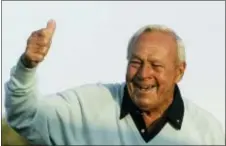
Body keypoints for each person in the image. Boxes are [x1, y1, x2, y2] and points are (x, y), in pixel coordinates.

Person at [4, 19, 225, 145]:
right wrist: (27, 67)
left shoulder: (208, 134)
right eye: (136, 62)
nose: (143, 73)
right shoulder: (86, 109)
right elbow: (25, 115)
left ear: (179, 72)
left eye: (156, 65)